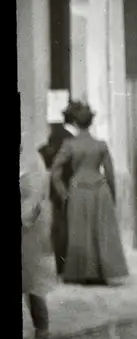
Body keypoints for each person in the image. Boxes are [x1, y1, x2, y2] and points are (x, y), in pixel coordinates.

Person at [50, 100, 129, 286]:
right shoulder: (101, 145)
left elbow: (55, 171)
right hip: (100, 189)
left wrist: (63, 193)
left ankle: (82, 273)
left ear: (76, 123)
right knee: (99, 232)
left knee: (81, 231)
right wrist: (112, 195)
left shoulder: (70, 144)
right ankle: (101, 273)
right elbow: (110, 173)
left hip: (78, 190)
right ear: (91, 122)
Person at [22, 134, 55, 339]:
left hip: (29, 232)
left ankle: (42, 328)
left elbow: (34, 200)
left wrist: (24, 217)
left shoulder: (32, 163)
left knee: (32, 282)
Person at [39, 109, 75, 277]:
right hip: (69, 187)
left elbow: (46, 156)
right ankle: (65, 265)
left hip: (57, 188)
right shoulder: (70, 137)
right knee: (65, 227)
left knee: (60, 226)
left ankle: (61, 265)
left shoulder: (56, 133)